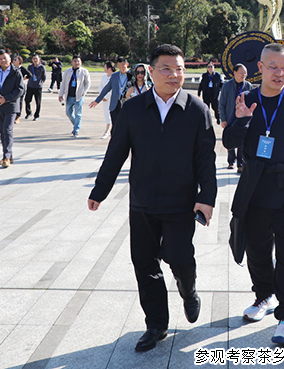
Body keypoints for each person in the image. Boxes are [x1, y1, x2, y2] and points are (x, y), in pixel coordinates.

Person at [87, 44, 216, 353]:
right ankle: (156, 324)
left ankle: (189, 291)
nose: (174, 75)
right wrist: (100, 190)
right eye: (167, 69)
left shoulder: (197, 110)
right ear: (151, 71)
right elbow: (115, 153)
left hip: (181, 202)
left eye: (179, 69)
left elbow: (206, 160)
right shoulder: (133, 110)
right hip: (143, 202)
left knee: (179, 257)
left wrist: (207, 197)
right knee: (144, 263)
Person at [223, 42, 284, 346]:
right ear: (260, 68)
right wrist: (241, 121)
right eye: (273, 67)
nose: (279, 73)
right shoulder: (247, 98)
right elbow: (228, 141)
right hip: (255, 187)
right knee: (257, 249)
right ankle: (263, 295)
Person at [219, 64, 252, 172]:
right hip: (230, 117)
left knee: (242, 141)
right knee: (230, 139)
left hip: (243, 119)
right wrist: (223, 119)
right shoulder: (227, 85)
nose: (244, 75)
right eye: (241, 72)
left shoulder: (248, 86)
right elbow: (222, 103)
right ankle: (231, 161)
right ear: (235, 73)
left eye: (245, 73)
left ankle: (240, 164)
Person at [89, 57, 130, 131]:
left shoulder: (132, 76)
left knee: (127, 126)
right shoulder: (114, 76)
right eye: (119, 67)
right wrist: (97, 101)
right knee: (115, 127)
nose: (121, 68)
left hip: (127, 104)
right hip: (115, 105)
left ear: (127, 64)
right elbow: (106, 89)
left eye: (123, 66)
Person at [58, 56, 90, 137]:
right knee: (68, 112)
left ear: (81, 62)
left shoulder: (84, 71)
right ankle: (76, 124)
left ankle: (76, 130)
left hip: (79, 96)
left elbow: (88, 83)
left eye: (78, 61)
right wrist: (60, 94)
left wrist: (83, 93)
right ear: (72, 62)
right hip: (69, 95)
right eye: (75, 61)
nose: (76, 62)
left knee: (78, 113)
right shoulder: (68, 71)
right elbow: (63, 83)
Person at [24, 54, 46, 121]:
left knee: (38, 102)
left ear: (39, 59)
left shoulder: (42, 67)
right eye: (34, 58)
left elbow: (44, 77)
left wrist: (40, 83)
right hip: (30, 86)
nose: (35, 60)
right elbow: (28, 74)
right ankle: (28, 112)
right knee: (27, 100)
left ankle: (36, 115)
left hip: (38, 87)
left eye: (36, 58)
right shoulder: (30, 67)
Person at [97, 61, 115, 138]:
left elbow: (113, 88)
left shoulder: (115, 76)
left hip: (111, 99)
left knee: (112, 115)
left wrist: (106, 96)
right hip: (104, 100)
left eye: (105, 66)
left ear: (109, 68)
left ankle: (107, 131)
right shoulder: (104, 76)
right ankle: (109, 131)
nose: (104, 68)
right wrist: (102, 96)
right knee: (106, 115)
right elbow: (101, 86)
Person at [11, 54, 30, 124]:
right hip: (13, 87)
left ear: (19, 61)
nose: (13, 61)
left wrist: (23, 79)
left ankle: (18, 116)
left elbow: (30, 75)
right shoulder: (12, 68)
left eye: (15, 59)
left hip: (21, 87)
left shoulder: (22, 68)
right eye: (13, 59)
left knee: (20, 102)